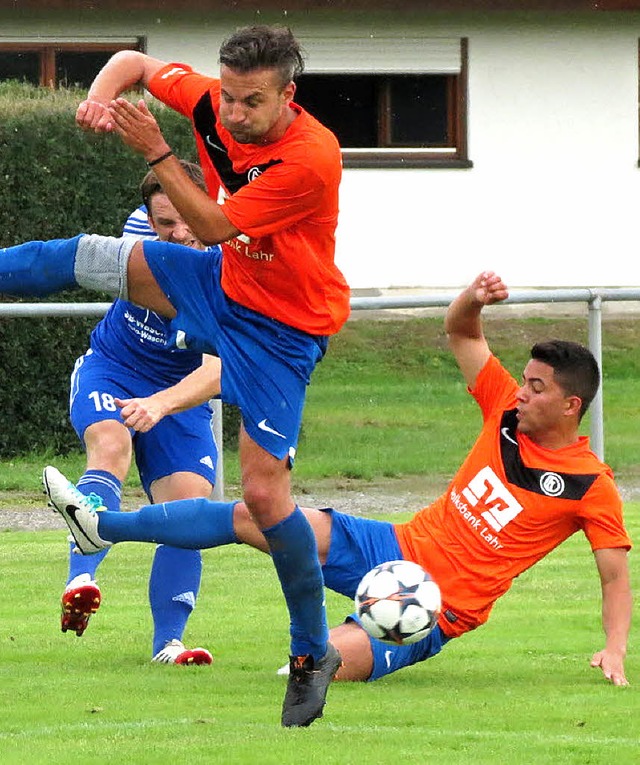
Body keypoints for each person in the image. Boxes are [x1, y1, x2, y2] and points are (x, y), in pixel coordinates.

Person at [1, 25, 350, 727]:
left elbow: (217, 224)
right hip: (221, 285)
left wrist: (155, 153)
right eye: (227, 96)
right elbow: (130, 61)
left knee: (263, 500)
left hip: (284, 330)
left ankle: (313, 650)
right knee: (88, 256)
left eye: (252, 103)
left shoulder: (313, 156)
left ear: (289, 96)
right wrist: (98, 102)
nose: (234, 114)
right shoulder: (209, 102)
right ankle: (105, 535)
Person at [44, 271, 632, 687]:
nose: (523, 393)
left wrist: (613, 647)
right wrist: (473, 298)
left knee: (313, 665)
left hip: (437, 606)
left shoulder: (591, 485)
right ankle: (104, 527)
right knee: (258, 515)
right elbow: (462, 333)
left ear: (570, 405)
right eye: (524, 381)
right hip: (396, 545)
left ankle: (330, 654)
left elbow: (612, 578)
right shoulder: (504, 408)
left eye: (538, 388)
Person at [61, 160, 222, 667]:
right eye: (163, 223)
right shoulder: (140, 234)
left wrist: (163, 402)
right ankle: (80, 580)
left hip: (180, 392)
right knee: (112, 444)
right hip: (113, 369)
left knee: (189, 510)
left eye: (186, 220)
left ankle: (168, 644)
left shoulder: (232, 256)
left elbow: (220, 368)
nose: (176, 234)